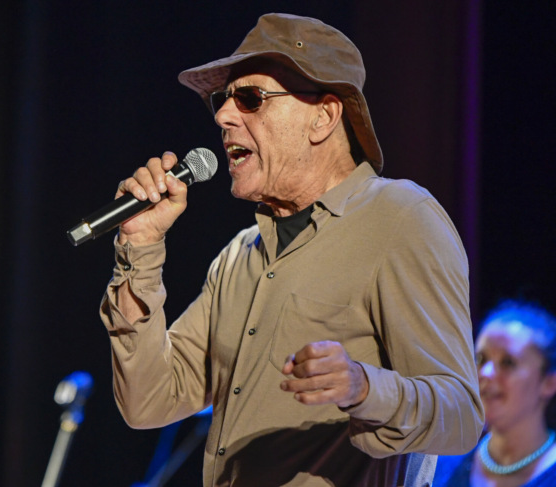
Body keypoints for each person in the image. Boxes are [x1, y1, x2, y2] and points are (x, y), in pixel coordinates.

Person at [99, 13, 483, 486]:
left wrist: (364, 387)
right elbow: (148, 402)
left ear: (323, 117)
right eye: (222, 100)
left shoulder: (400, 219)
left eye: (250, 98)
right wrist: (139, 247)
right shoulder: (240, 255)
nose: (223, 116)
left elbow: (461, 416)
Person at [435, 301, 556, 486]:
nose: (485, 373)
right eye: (480, 359)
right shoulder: (442, 466)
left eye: (507, 362)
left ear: (549, 383)